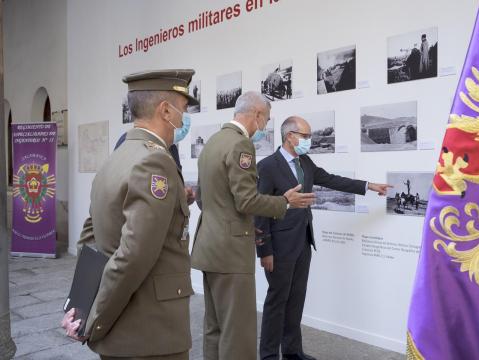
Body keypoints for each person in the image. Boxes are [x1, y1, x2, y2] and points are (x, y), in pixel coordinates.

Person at [61, 69, 199, 359]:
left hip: (122, 334)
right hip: (150, 333)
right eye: (183, 110)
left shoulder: (118, 156)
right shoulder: (155, 161)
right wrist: (94, 319)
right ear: (165, 111)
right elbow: (134, 255)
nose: (184, 119)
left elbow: (89, 238)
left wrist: (83, 306)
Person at [191, 92, 315, 360]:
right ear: (257, 114)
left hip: (208, 245)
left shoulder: (213, 142)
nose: (265, 126)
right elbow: (247, 201)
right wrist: (285, 201)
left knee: (215, 327)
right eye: (267, 120)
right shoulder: (240, 145)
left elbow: (203, 198)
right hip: (231, 251)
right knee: (237, 332)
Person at [255, 116, 392, 360]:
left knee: (296, 300)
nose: (310, 140)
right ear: (290, 136)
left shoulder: (305, 162)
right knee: (277, 302)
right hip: (278, 247)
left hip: (303, 242)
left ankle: (292, 352)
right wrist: (264, 251)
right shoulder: (267, 166)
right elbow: (260, 210)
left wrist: (369, 186)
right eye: (305, 136)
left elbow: (331, 180)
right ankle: (268, 356)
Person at [114, 112, 195, 205]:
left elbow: (167, 186)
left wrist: (182, 197)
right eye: (183, 108)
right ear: (165, 111)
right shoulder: (130, 141)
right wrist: (177, 197)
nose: (182, 121)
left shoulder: (171, 147)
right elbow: (135, 194)